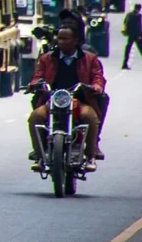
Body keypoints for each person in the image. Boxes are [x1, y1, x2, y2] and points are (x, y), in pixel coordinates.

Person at [27, 23, 105, 172]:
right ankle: (39, 154)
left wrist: (96, 86)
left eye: (65, 38)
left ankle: (90, 156)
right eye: (59, 38)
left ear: (75, 40)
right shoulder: (46, 58)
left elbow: (97, 77)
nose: (61, 41)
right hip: (53, 100)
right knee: (35, 117)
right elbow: (38, 76)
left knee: (90, 117)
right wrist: (35, 84)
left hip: (80, 101)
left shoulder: (90, 59)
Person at [121, 3, 142, 69]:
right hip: (136, 35)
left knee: (128, 49)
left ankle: (124, 64)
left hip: (130, 34)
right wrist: (139, 35)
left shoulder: (129, 14)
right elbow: (139, 26)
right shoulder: (138, 16)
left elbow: (124, 22)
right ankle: (125, 65)